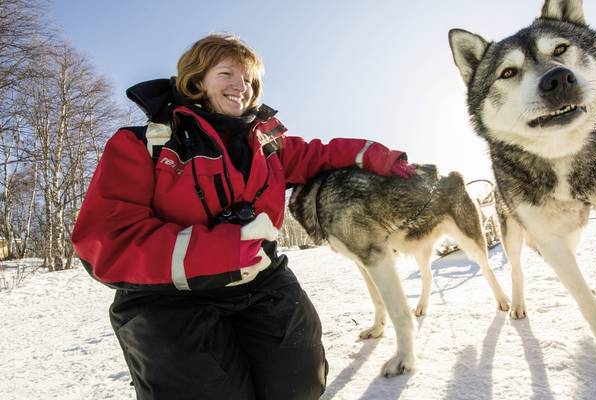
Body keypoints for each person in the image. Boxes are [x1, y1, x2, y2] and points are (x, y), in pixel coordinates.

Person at [71, 34, 415, 400]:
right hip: (167, 299)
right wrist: (219, 252)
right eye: (226, 74)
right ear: (197, 79)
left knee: (299, 384)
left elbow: (320, 155)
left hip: (259, 283)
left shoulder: (266, 145)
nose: (241, 86)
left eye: (249, 79)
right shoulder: (142, 146)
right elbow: (105, 240)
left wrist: (376, 156)